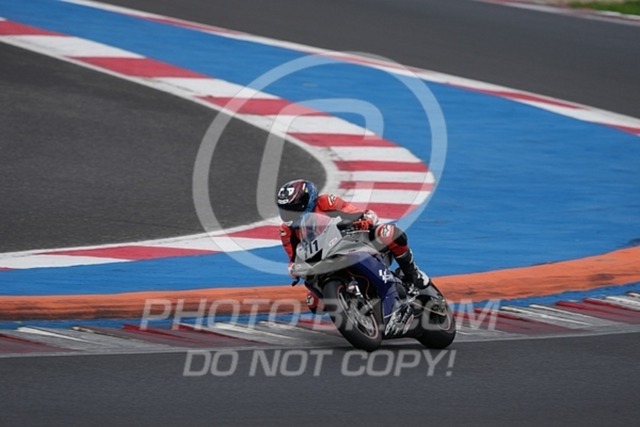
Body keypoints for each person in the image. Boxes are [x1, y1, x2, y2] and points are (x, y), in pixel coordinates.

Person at [276, 179, 429, 290]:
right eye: (285, 210)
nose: (288, 215)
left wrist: (363, 220)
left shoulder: (327, 202)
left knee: (389, 233)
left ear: (306, 202)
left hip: (349, 242)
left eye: (292, 209)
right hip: (321, 260)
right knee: (313, 303)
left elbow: (355, 213)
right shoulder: (286, 230)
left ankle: (412, 274)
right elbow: (293, 258)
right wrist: (293, 269)